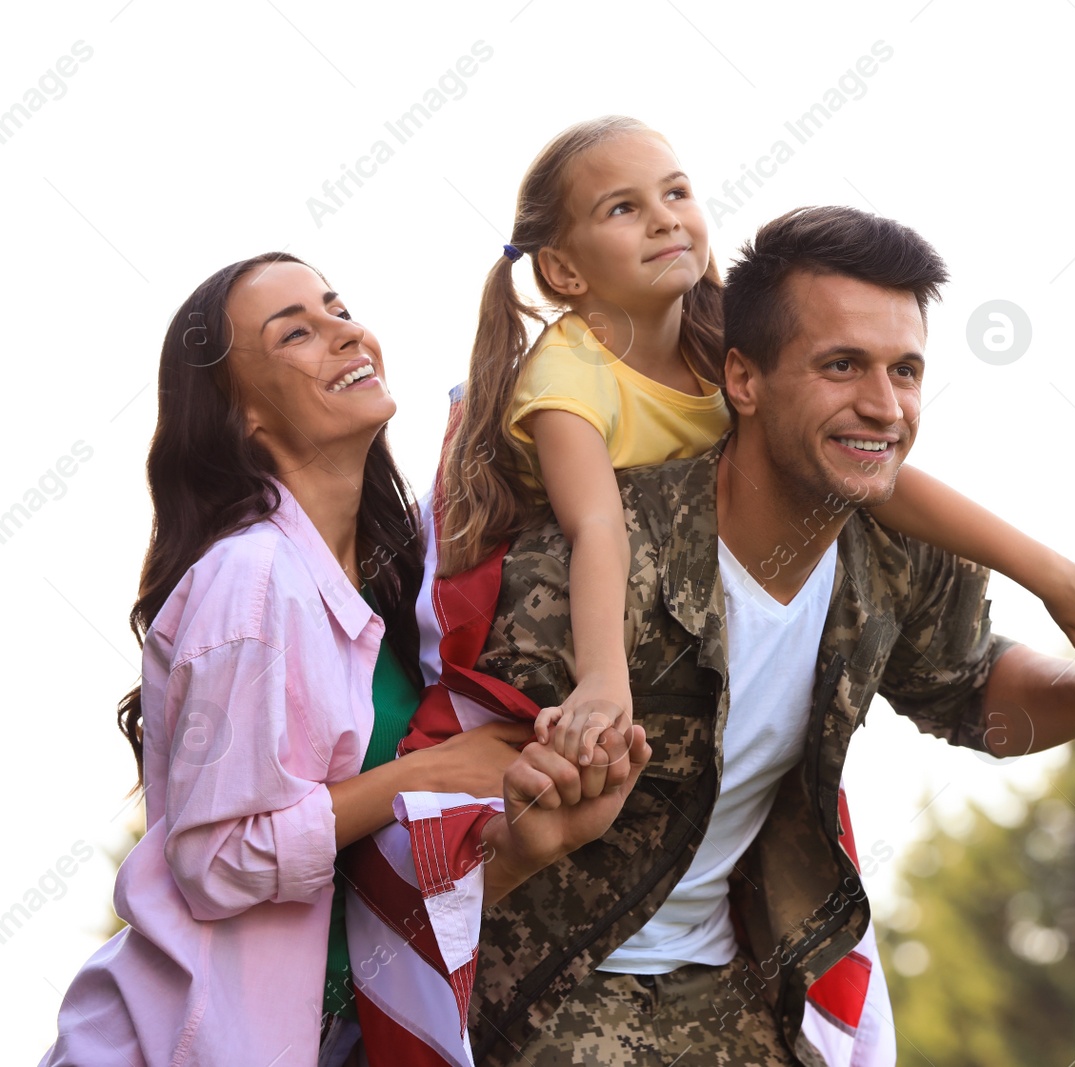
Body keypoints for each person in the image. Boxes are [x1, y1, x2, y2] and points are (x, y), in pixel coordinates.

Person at [457, 205, 1075, 1065]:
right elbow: (441, 818)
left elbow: (972, 695)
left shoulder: (900, 552)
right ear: (743, 380)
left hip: (735, 986)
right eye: (842, 365)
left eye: (907, 370)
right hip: (542, 988)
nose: (884, 407)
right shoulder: (597, 563)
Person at [39, 253, 649, 1067]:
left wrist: (538, 833)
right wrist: (428, 775)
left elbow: (365, 885)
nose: (344, 332)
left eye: (337, 308)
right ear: (243, 416)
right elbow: (214, 862)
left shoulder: (388, 589)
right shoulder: (251, 578)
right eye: (297, 332)